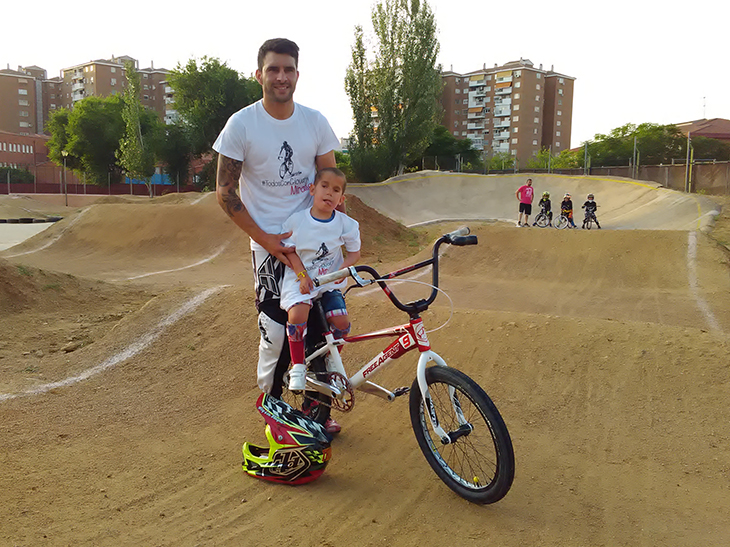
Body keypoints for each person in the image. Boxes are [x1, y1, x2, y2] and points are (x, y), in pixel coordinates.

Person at [212, 38, 342, 433]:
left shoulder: (315, 122)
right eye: (273, 69)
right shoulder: (242, 124)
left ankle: (317, 413)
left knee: (320, 325)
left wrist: (335, 237)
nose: (281, 76)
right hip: (269, 247)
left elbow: (330, 184)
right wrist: (266, 240)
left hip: (313, 244)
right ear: (259, 75)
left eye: (288, 69)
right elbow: (225, 192)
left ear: (298, 75)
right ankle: (276, 412)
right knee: (277, 331)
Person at [281, 168, 360, 392]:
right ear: (312, 189)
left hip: (329, 282)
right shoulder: (297, 221)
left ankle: (330, 361)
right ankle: (298, 366)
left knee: (342, 322)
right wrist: (302, 275)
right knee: (297, 313)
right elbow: (289, 251)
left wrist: (341, 272)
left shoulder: (345, 224)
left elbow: (354, 254)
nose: (329, 193)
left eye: (336, 190)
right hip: (301, 280)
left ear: (341, 198)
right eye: (324, 186)